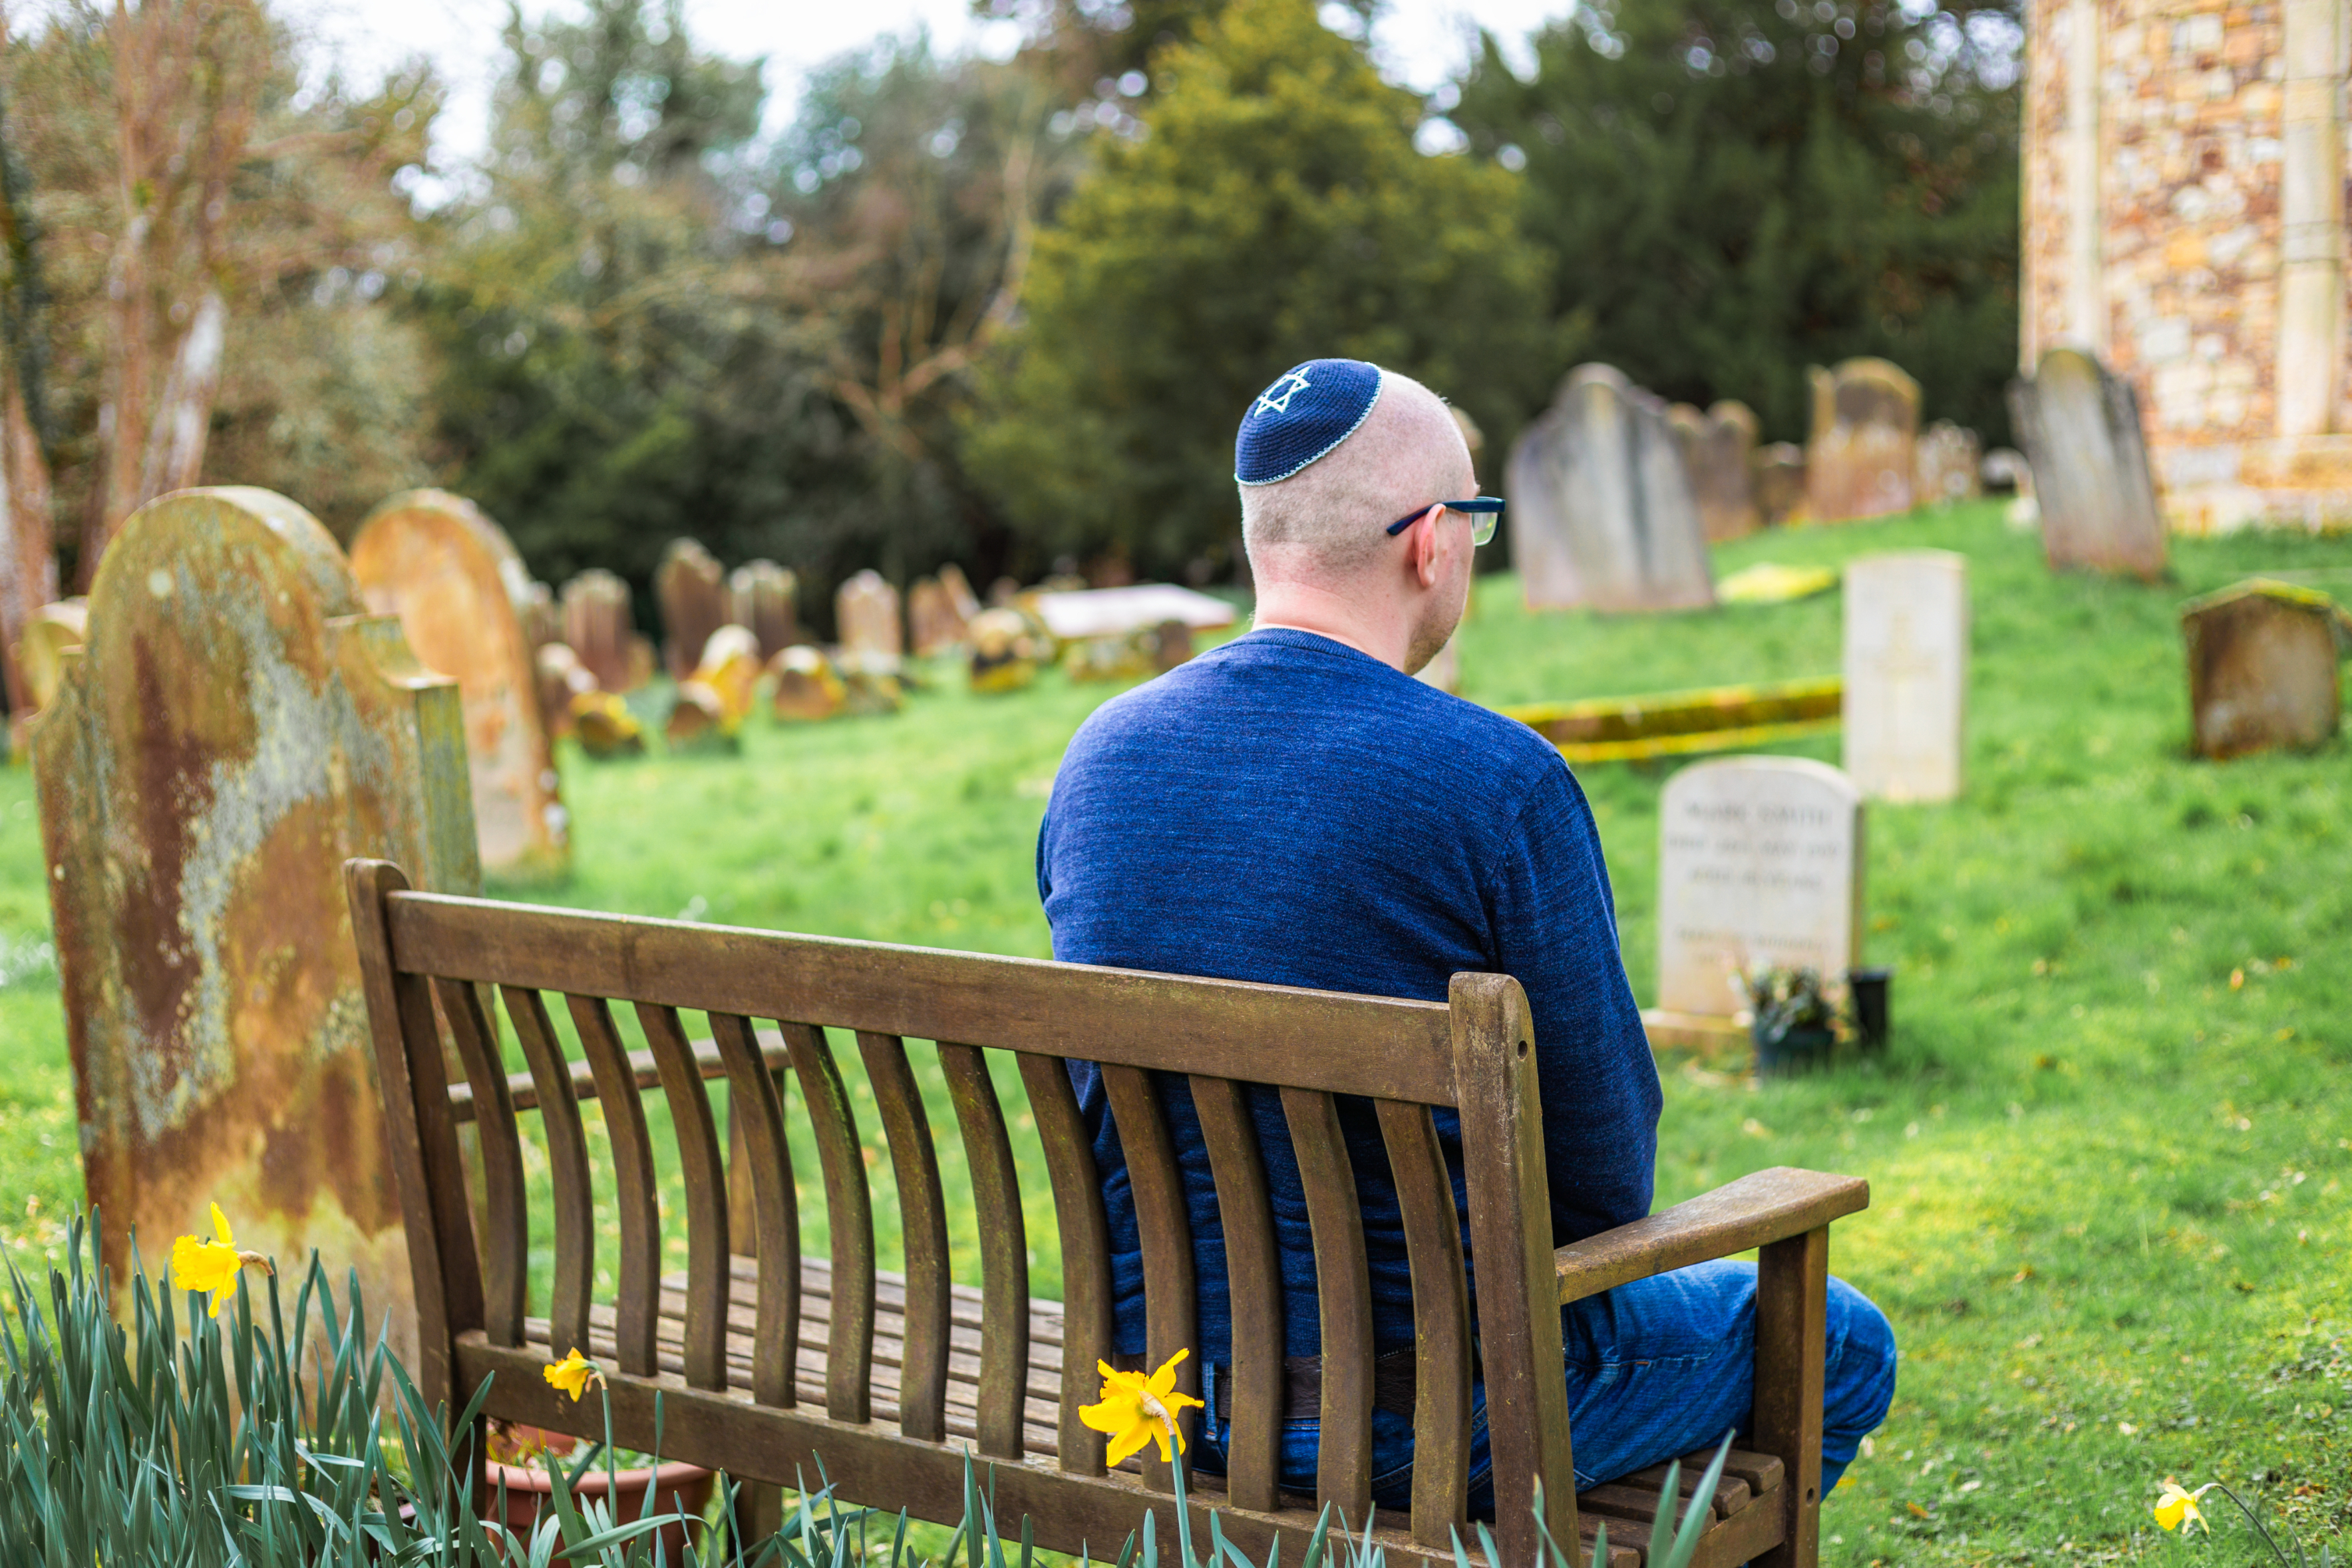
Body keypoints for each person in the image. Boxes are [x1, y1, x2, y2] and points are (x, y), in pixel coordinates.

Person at [1035, 358, 1895, 1512]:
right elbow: (1604, 1183)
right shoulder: (1496, 784)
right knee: (1842, 1340)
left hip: (1170, 1390)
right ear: (1432, 541)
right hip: (1429, 1416)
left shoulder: (1098, 761)